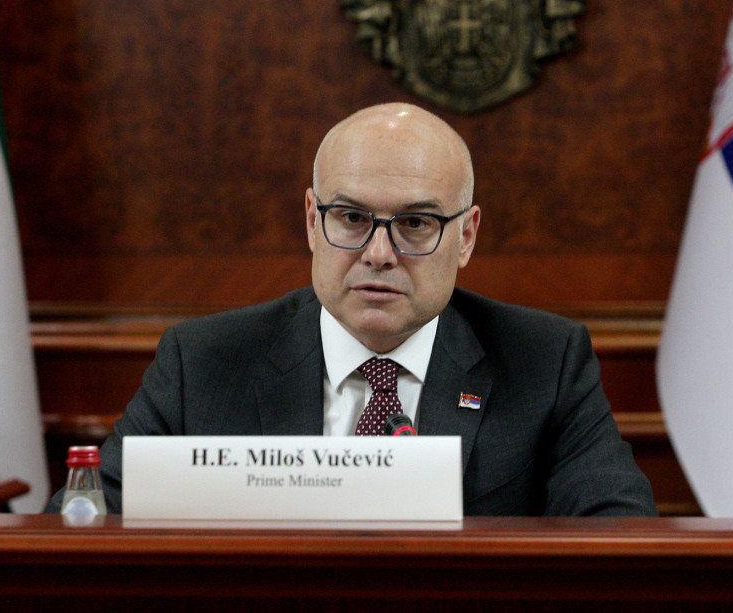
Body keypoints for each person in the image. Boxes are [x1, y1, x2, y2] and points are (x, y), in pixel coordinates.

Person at [45, 103, 656, 516]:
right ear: (313, 222)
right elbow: (79, 525)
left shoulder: (544, 363)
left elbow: (620, 536)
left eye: (415, 224)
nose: (379, 254)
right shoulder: (203, 363)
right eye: (352, 218)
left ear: (466, 236)